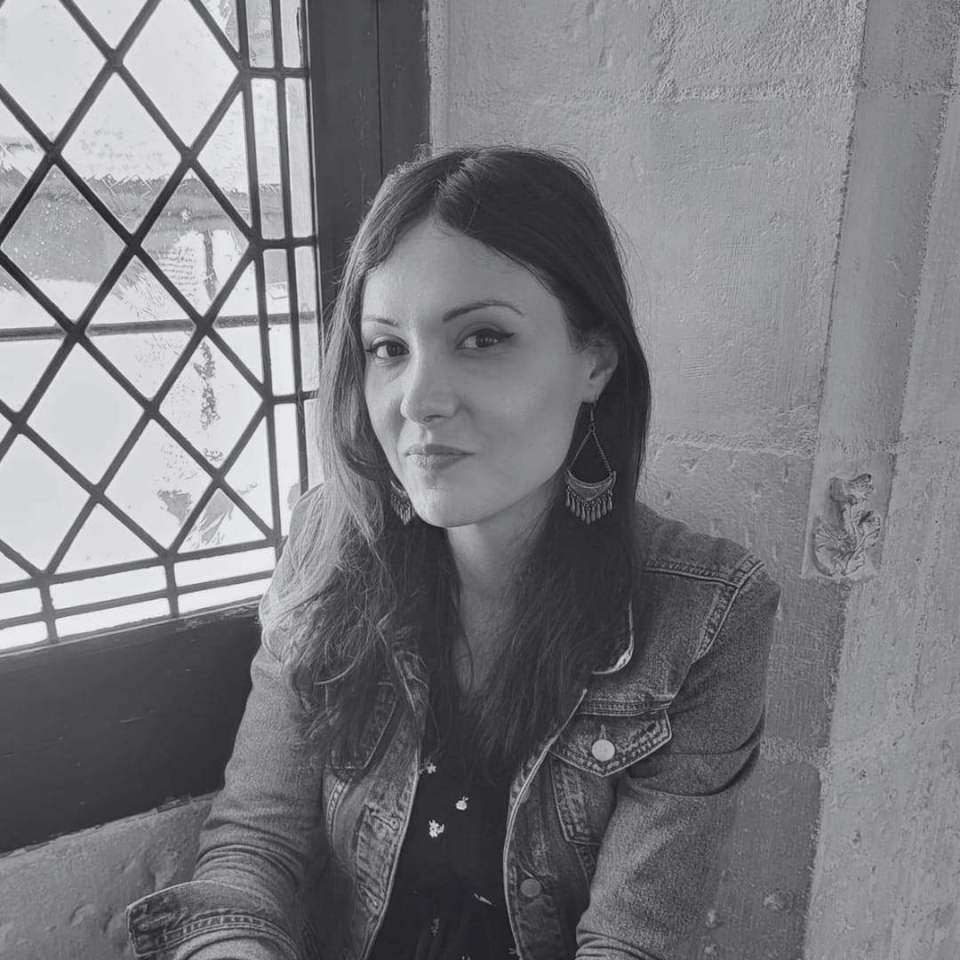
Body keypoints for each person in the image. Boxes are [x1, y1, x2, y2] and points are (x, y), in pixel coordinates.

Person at [126, 146, 780, 960]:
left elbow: (634, 941)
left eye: (482, 338)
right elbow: (254, 848)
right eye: (388, 348)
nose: (418, 400)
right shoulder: (331, 544)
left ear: (595, 360)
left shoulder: (706, 613)